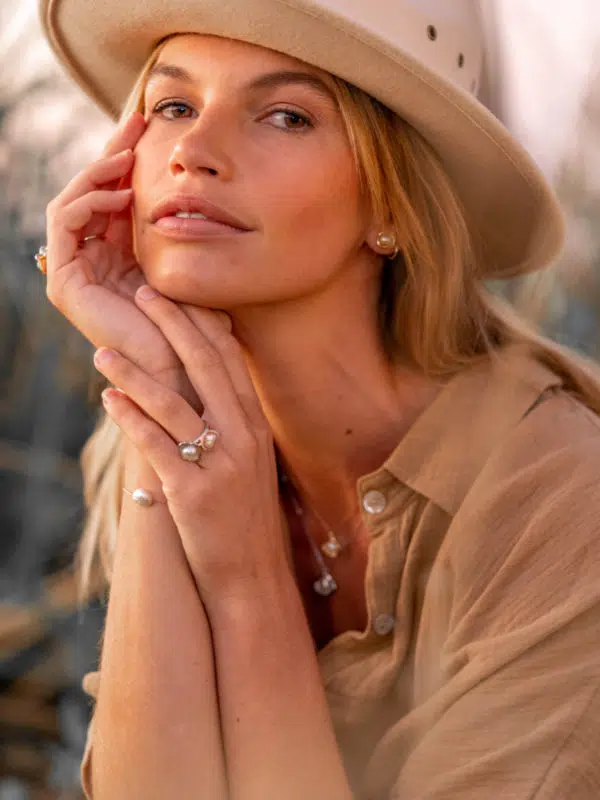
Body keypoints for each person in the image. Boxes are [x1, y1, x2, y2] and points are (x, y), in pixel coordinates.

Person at [37, 0, 600, 797]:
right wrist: (155, 399)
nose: (193, 151)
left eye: (286, 116)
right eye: (172, 105)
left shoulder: (561, 499)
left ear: (392, 203)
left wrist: (246, 577)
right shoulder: (179, 424)